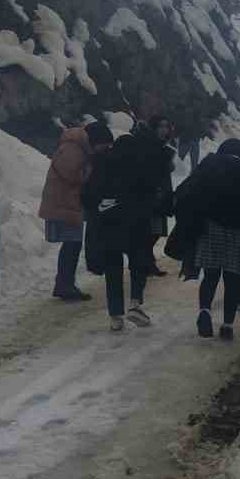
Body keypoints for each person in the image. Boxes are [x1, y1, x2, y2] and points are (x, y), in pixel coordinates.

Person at [170, 139, 240, 339]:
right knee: (232, 279)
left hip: (211, 229)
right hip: (237, 232)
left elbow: (188, 191)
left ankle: (204, 311)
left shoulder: (209, 165)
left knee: (210, 277)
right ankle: (227, 326)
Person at [82, 127, 164, 332]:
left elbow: (87, 194)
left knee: (113, 270)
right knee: (138, 265)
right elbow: (150, 195)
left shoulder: (101, 163)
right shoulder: (139, 165)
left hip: (108, 226)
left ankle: (115, 316)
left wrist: (100, 205)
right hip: (135, 225)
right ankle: (135, 303)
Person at [37, 120, 114, 299]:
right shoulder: (72, 149)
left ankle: (64, 284)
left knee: (72, 244)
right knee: (72, 244)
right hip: (63, 204)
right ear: (95, 141)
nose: (103, 149)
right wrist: (93, 165)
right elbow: (73, 175)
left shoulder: (80, 148)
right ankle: (64, 286)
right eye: (103, 145)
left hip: (68, 203)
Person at [134, 115, 176, 277]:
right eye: (161, 126)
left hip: (160, 194)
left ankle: (146, 262)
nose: (164, 129)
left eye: (166, 126)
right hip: (150, 195)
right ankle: (144, 263)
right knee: (151, 231)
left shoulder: (161, 146)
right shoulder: (148, 145)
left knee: (155, 231)